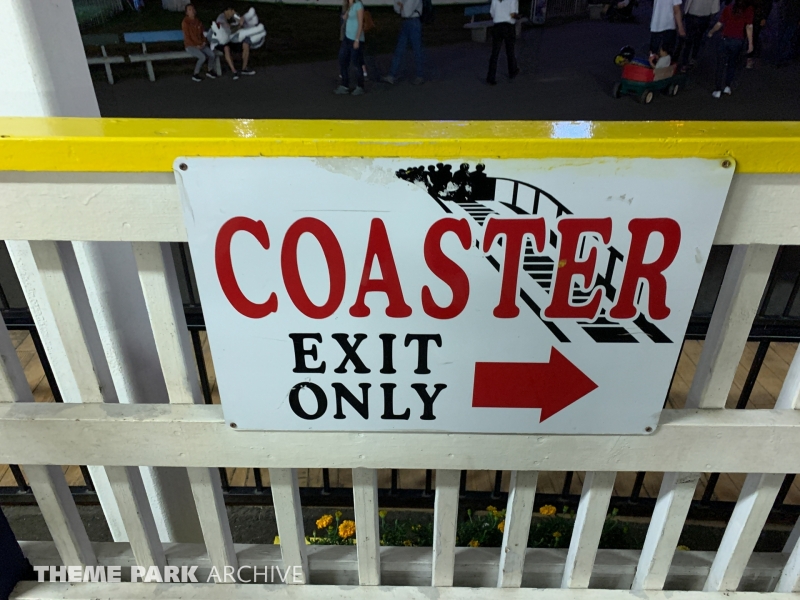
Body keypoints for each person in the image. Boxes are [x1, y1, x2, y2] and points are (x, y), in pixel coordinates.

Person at [707, 0, 753, 97]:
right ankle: (727, 86)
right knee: (732, 64)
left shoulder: (728, 9)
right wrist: (750, 43)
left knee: (720, 64)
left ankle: (718, 89)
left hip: (725, 39)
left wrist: (711, 32)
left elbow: (719, 24)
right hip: (738, 41)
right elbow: (749, 27)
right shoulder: (748, 10)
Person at [382, 0, 425, 85]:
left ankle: (420, 75)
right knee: (400, 49)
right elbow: (398, 9)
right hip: (407, 22)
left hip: (413, 22)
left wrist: (401, 6)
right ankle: (392, 75)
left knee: (417, 50)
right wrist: (402, 7)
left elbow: (406, 12)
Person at [336, 0, 366, 95]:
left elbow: (360, 22)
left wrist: (357, 39)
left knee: (356, 62)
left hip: (356, 38)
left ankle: (360, 86)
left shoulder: (358, 5)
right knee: (343, 59)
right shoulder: (348, 5)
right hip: (347, 38)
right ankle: (345, 85)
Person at [486, 0, 520, 85]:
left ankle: (491, 77)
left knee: (495, 53)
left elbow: (492, 13)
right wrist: (518, 17)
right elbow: (512, 14)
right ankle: (512, 71)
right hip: (508, 26)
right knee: (510, 50)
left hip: (497, 26)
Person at [216, 7, 256, 79]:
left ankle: (244, 68)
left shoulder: (233, 17)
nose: (233, 12)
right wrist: (239, 25)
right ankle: (234, 71)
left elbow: (241, 27)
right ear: (227, 11)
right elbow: (229, 31)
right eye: (232, 10)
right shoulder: (221, 19)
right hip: (222, 40)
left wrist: (240, 22)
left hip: (232, 39)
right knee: (226, 48)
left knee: (246, 44)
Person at [680, 0, 720, 69]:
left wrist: (685, 12)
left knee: (688, 40)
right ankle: (693, 58)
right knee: (698, 39)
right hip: (705, 16)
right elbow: (715, 9)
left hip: (691, 15)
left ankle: (684, 62)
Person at [182, 4, 216, 81]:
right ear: (187, 13)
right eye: (190, 10)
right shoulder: (185, 22)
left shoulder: (198, 21)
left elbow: (203, 34)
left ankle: (210, 70)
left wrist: (204, 42)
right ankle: (195, 74)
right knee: (202, 57)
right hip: (190, 46)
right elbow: (187, 37)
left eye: (193, 9)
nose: (192, 11)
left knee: (212, 54)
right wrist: (196, 45)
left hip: (201, 44)